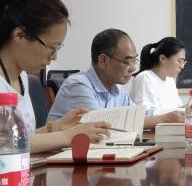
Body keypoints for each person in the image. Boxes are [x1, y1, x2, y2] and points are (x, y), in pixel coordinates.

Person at [0, 0, 110, 170]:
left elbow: (18, 140)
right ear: (20, 35)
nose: (54, 57)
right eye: (51, 48)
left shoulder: (22, 77)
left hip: (12, 176)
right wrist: (69, 136)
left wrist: (56, 127)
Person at [47, 29, 183, 129]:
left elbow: (139, 114)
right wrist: (162, 119)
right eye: (127, 62)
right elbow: (101, 125)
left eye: (134, 61)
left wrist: (177, 114)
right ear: (103, 61)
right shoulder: (78, 85)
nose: (132, 68)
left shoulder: (117, 89)